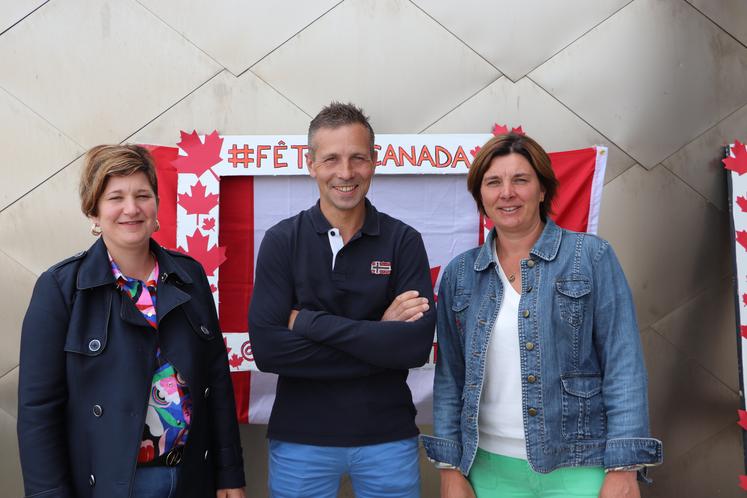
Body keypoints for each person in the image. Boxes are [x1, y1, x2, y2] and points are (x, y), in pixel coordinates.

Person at [422, 133, 663, 498]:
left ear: (542, 190)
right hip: (487, 469)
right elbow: (450, 377)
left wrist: (624, 468)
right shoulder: (461, 274)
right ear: (481, 197)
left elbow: (623, 364)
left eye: (520, 180)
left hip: (580, 466)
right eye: (493, 183)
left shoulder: (591, 257)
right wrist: (449, 469)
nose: (507, 193)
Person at [17, 145, 246, 498]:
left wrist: (230, 473)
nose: (131, 209)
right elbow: (38, 411)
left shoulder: (189, 276)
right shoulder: (61, 288)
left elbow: (216, 380)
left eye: (142, 195)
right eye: (115, 197)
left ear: (156, 204)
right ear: (93, 211)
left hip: (191, 478)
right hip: (112, 484)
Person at [248, 102, 436, 498]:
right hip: (301, 441)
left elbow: (414, 347)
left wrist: (307, 323)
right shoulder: (282, 241)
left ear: (375, 162)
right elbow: (268, 350)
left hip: (387, 438)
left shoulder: (404, 241)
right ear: (310, 163)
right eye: (331, 158)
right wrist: (379, 336)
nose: (345, 173)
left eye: (358, 158)